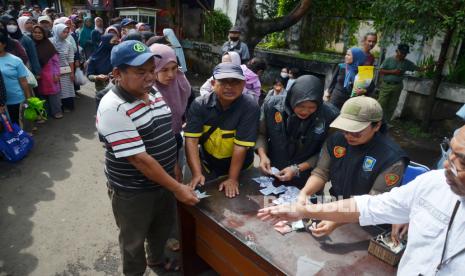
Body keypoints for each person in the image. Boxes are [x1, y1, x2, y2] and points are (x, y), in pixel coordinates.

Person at [259, 125, 465, 276]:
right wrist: (303, 210)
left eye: (462, 161)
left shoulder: (390, 155)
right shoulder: (433, 183)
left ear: (375, 126)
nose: (447, 164)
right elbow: (370, 205)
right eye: (449, 151)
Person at [96, 40, 198, 275]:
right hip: (133, 190)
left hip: (162, 181)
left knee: (160, 229)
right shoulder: (113, 107)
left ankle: (156, 261)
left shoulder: (151, 91)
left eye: (152, 70)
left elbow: (165, 131)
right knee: (133, 241)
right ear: (117, 73)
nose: (149, 77)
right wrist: (177, 188)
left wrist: (173, 165)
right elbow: (139, 159)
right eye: (140, 72)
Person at [295, 96, 408, 236]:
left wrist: (336, 221)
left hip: (370, 223)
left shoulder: (392, 159)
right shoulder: (336, 140)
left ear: (377, 126)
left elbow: (374, 202)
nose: (348, 136)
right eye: (345, 129)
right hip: (338, 207)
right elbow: (321, 172)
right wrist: (305, 193)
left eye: (356, 132)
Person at [184, 62, 260, 198]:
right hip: (208, 164)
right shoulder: (199, 105)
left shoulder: (250, 107)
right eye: (223, 82)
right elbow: (191, 140)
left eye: (235, 82)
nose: (229, 87)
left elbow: (240, 147)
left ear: (243, 85)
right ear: (213, 84)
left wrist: (232, 178)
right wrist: (196, 173)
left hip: (241, 169)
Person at [257, 75, 339, 188]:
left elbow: (327, 152)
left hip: (307, 178)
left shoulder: (330, 116)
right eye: (300, 105)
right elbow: (261, 134)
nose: (305, 111)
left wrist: (297, 169)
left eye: (312, 107)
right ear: (292, 98)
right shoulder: (271, 106)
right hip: (272, 170)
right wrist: (263, 156)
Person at [149, 43, 192, 181]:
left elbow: (190, 104)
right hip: (155, 145)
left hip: (176, 136)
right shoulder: (146, 91)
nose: (171, 75)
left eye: (174, 68)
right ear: (152, 69)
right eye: (164, 69)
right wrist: (173, 164)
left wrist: (186, 120)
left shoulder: (181, 81)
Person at [378, 43, 420, 121]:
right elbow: (381, 71)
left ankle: (385, 122)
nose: (403, 55)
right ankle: (376, 121)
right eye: (402, 53)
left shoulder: (407, 63)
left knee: (392, 105)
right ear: (397, 51)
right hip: (386, 85)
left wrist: (432, 65)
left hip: (397, 86)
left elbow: (418, 68)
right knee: (381, 103)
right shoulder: (389, 60)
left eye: (405, 53)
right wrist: (393, 72)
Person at [0, 32, 32, 125]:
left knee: (16, 124)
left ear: (4, 44)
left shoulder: (15, 60)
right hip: (1, 101)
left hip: (15, 99)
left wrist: (28, 98)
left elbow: (23, 81)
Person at [31, 25, 62, 119]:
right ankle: (45, 113)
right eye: (35, 32)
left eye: (39, 32)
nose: (37, 34)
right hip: (39, 75)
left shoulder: (49, 45)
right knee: (42, 95)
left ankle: (56, 111)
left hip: (51, 74)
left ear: (44, 34)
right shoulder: (31, 45)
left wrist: (56, 74)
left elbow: (56, 62)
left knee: (54, 95)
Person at [51, 23, 75, 112]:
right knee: (57, 90)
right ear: (57, 31)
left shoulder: (68, 44)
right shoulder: (51, 42)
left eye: (67, 32)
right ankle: (58, 108)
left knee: (67, 89)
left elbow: (71, 59)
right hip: (54, 71)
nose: (66, 34)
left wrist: (72, 73)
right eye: (63, 32)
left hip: (65, 71)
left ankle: (67, 106)